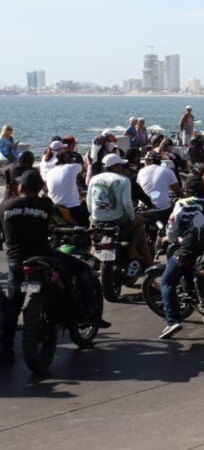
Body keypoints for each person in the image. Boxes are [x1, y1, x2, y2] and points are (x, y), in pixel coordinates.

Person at [2, 170, 107, 361]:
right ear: (40, 187)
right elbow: (59, 218)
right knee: (83, 268)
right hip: (43, 257)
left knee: (13, 307)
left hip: (16, 263)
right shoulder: (45, 204)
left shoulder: (5, 206)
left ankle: (6, 348)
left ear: (20, 187)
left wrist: (10, 195)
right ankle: (90, 312)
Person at [158, 176, 204, 339]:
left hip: (191, 250)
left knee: (166, 281)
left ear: (187, 190)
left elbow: (172, 230)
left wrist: (169, 239)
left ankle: (172, 321)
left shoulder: (182, 203)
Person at [87, 153, 154, 268]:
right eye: (120, 165)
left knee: (91, 220)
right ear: (114, 166)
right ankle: (133, 250)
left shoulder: (94, 179)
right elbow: (127, 203)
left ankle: (93, 245)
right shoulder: (124, 180)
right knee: (140, 222)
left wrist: (93, 215)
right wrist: (132, 218)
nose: (122, 167)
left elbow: (89, 201)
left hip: (97, 220)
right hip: (117, 219)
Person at [45, 149, 88, 226]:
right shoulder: (73, 167)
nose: (73, 160)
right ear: (68, 159)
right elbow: (84, 168)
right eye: (72, 158)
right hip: (72, 208)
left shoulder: (50, 171)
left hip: (54, 207)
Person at [137, 151, 182, 224]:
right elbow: (178, 192)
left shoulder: (141, 172)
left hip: (144, 208)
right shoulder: (168, 171)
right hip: (162, 210)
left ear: (150, 161)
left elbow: (139, 189)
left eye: (145, 161)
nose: (144, 163)